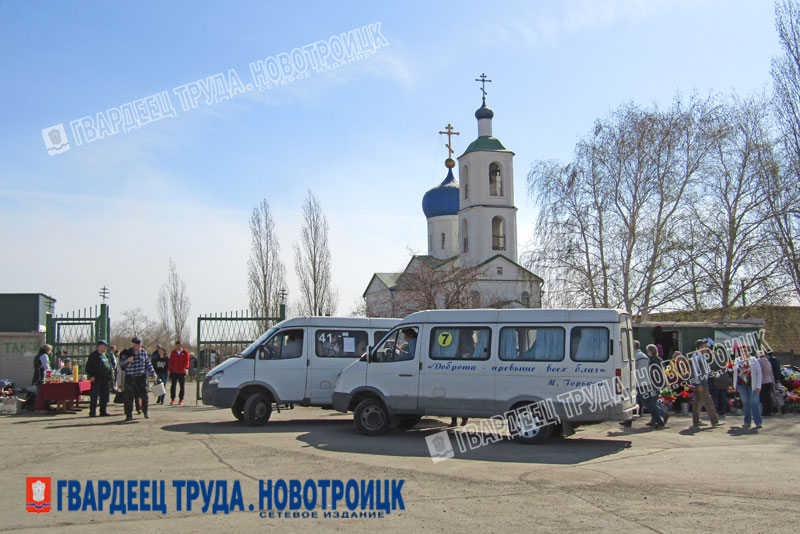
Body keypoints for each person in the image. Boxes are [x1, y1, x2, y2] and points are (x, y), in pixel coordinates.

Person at [120, 336, 158, 421]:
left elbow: (148, 364)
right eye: (137, 343)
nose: (139, 345)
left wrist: (153, 373)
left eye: (140, 343)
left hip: (140, 377)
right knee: (128, 397)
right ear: (133, 344)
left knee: (144, 395)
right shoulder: (127, 353)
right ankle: (128, 414)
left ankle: (145, 411)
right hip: (130, 377)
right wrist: (127, 361)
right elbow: (121, 364)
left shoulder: (143, 352)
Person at [689, 340, 724, 428]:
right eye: (704, 346)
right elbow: (696, 371)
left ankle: (696, 421)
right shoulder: (696, 357)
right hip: (701, 383)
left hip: (703, 382)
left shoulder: (703, 356)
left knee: (697, 402)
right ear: (700, 347)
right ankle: (714, 421)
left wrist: (713, 373)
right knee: (709, 402)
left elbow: (706, 370)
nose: (706, 348)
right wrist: (699, 383)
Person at [733, 345, 762, 429]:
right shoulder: (737, 360)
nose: (744, 352)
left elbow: (759, 373)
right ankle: (747, 422)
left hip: (753, 385)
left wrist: (758, 385)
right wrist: (734, 385)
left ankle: (758, 422)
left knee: (754, 402)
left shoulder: (753, 360)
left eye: (745, 350)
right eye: (742, 351)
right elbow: (735, 374)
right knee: (745, 402)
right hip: (742, 385)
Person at [85, 340, 113, 417]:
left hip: (105, 378)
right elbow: (88, 367)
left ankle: (103, 411)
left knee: (104, 395)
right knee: (95, 395)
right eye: (105, 346)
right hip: (97, 378)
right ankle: (92, 412)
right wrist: (91, 375)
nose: (106, 347)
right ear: (100, 346)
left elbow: (109, 366)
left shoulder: (106, 355)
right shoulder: (94, 355)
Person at [168, 340, 190, 405]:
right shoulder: (173, 352)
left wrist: (186, 368)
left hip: (182, 371)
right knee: (173, 386)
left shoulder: (185, 352)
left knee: (182, 386)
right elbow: (170, 361)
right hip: (174, 371)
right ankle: (173, 399)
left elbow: (187, 361)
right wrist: (169, 370)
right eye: (177, 345)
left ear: (181, 345)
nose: (178, 346)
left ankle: (181, 399)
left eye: (179, 345)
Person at [758, 351, 775, 417]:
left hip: (762, 382)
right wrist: (773, 382)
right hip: (769, 381)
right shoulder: (768, 362)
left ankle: (765, 412)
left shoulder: (758, 362)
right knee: (768, 396)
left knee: (763, 397)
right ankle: (769, 411)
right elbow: (771, 373)